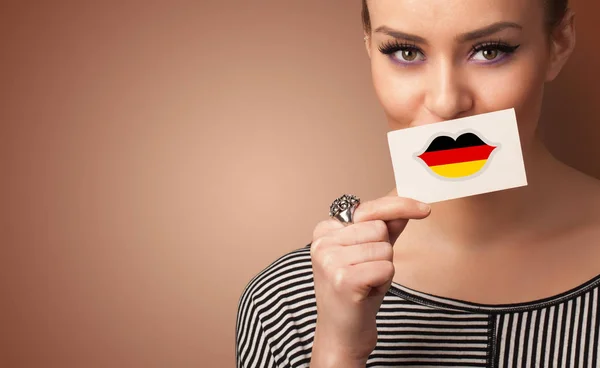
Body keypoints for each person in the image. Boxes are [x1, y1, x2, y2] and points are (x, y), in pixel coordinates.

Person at [236, 0, 600, 366]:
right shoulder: (283, 304)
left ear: (559, 42)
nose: (446, 102)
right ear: (369, 47)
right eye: (406, 52)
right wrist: (338, 350)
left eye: (490, 51)